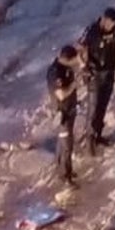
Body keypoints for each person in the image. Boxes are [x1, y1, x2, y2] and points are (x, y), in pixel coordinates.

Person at [78, 7, 115, 146]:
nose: (112, 25)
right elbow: (81, 47)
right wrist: (84, 66)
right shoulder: (92, 30)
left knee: (103, 106)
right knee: (93, 107)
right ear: (104, 19)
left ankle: (98, 135)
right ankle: (89, 139)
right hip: (95, 73)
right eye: (111, 22)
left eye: (114, 23)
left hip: (110, 72)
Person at [47, 45, 80, 186]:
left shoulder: (65, 67)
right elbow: (60, 94)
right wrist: (74, 85)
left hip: (69, 110)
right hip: (63, 114)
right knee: (67, 146)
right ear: (67, 59)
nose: (76, 62)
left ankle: (61, 169)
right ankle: (65, 176)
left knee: (63, 143)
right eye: (73, 60)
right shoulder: (56, 72)